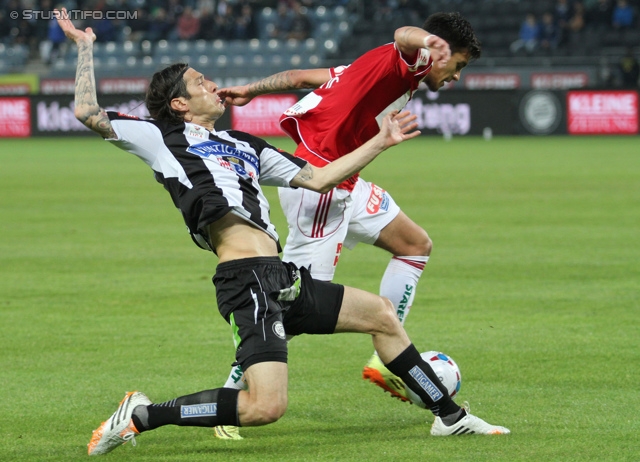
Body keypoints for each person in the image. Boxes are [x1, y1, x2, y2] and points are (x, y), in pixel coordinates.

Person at [53, 7, 509, 457]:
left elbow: (318, 178)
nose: (211, 84)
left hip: (282, 278)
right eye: (199, 83)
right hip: (245, 282)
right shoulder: (161, 138)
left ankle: (450, 417)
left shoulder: (245, 145)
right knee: (265, 407)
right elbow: (86, 110)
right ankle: (140, 415)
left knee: (384, 316)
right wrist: (86, 48)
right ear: (179, 105)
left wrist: (380, 140)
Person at [217, 11, 481, 438]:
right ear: (434, 53)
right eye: (459, 64)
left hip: (344, 181)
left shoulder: (369, 65)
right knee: (294, 304)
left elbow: (304, 76)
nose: (455, 75)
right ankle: (234, 392)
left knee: (414, 243)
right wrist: (429, 41)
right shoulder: (408, 61)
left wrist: (251, 88)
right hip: (320, 187)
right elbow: (403, 35)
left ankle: (390, 355)